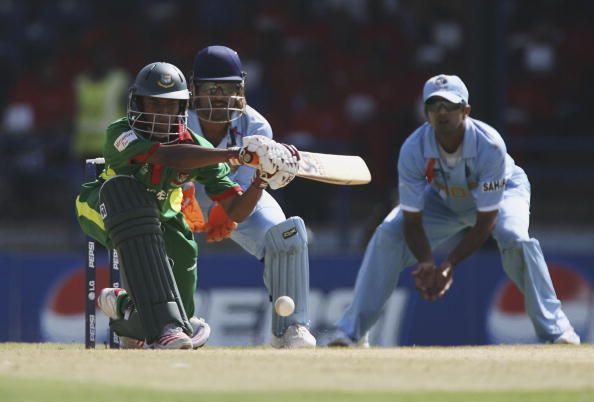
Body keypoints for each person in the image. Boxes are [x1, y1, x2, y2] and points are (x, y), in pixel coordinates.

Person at [325, 74, 580, 347]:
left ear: (465, 110)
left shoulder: (489, 145)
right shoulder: (413, 148)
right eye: (434, 106)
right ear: (426, 114)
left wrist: (448, 265)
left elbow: (485, 222)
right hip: (444, 200)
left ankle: (556, 329)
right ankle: (352, 331)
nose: (442, 112)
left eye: (450, 105)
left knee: (513, 235)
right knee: (387, 234)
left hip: (502, 193)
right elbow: (412, 219)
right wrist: (426, 261)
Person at [75, 61, 300, 349]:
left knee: (180, 271)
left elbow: (237, 211)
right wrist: (235, 154)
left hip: (163, 218)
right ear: (137, 103)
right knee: (136, 214)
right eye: (154, 104)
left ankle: (126, 309)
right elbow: (169, 157)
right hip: (102, 206)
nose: (162, 113)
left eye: (171, 106)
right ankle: (166, 327)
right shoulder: (121, 133)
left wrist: (261, 179)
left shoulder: (199, 147)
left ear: (183, 109)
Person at [185, 45, 317, 348]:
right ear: (194, 89)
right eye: (211, 88)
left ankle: (291, 328)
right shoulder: (177, 121)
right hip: (182, 197)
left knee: (287, 234)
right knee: (153, 229)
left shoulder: (256, 126)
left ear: (241, 88)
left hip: (233, 197)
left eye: (228, 87)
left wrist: (231, 209)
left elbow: (242, 201)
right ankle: (162, 321)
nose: (219, 95)